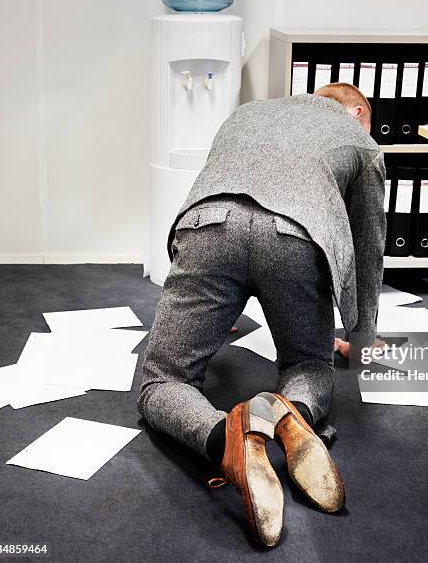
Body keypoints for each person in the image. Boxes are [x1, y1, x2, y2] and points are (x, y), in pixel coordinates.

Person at [137, 83, 386, 547]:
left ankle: (224, 440)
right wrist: (362, 334)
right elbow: (368, 247)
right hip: (295, 238)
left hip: (208, 228)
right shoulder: (361, 141)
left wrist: (209, 307)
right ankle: (290, 413)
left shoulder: (245, 114)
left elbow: (216, 188)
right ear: (356, 111)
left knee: (162, 381)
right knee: (308, 364)